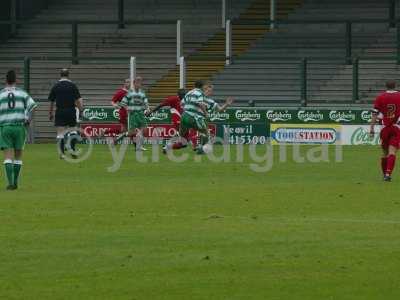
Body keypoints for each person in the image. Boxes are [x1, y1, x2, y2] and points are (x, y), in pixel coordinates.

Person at [165, 80, 233, 154]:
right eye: (208, 89)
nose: (210, 91)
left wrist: (227, 104)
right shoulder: (199, 94)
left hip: (185, 116)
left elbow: (219, 109)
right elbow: (200, 103)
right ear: (204, 88)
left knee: (183, 138)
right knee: (206, 133)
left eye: (211, 90)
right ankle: (202, 149)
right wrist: (205, 113)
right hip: (195, 118)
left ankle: (168, 147)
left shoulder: (209, 101)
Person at [0, 70, 37, 190]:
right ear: (16, 80)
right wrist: (28, 120)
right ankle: (15, 182)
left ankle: (10, 183)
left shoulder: (1, 94)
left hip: (5, 127)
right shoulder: (22, 93)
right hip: (19, 127)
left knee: (7, 156)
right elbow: (32, 107)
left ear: (5, 81)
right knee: (18, 155)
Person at [48, 69, 83, 159]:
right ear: (68, 75)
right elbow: (79, 100)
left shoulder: (56, 86)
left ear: (60, 75)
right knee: (73, 131)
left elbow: (51, 101)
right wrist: (81, 110)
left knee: (60, 133)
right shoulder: (72, 86)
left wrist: (50, 112)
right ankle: (72, 150)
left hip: (60, 111)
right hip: (71, 110)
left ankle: (62, 154)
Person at [370, 80, 400, 181]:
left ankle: (385, 175)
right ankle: (388, 174)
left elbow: (374, 114)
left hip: (384, 128)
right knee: (392, 152)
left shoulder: (380, 97)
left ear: (386, 86)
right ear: (395, 86)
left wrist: (371, 129)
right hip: (396, 127)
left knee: (384, 153)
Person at [115, 77, 149, 151]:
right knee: (131, 132)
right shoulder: (129, 93)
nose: (139, 84)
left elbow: (145, 101)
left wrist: (147, 108)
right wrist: (127, 108)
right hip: (133, 114)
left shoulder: (142, 92)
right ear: (134, 83)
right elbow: (123, 103)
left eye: (140, 83)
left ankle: (138, 147)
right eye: (137, 82)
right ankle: (120, 137)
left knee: (145, 130)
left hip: (141, 114)